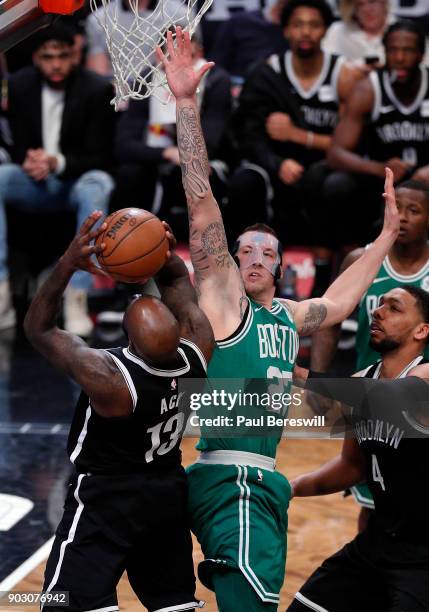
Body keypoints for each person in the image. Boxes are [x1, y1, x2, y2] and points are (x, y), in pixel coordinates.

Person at [157, 25, 400, 611]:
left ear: (282, 268)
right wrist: (187, 106)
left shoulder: (288, 316)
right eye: (247, 252)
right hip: (230, 477)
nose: (258, 258)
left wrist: (385, 238)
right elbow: (201, 201)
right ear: (230, 264)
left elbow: (340, 301)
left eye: (269, 251)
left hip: (261, 482)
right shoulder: (224, 301)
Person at [24, 211, 214, 612]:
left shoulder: (110, 379)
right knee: (173, 603)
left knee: (63, 603)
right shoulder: (197, 351)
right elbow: (179, 283)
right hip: (165, 494)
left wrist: (68, 264)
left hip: (107, 499)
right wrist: (163, 252)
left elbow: (38, 329)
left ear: (128, 338)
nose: (139, 297)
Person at [288, 285, 429, 611]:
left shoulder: (423, 377)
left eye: (394, 308)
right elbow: (352, 467)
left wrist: (297, 373)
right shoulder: (362, 379)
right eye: (378, 305)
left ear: (422, 330)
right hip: (378, 543)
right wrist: (291, 487)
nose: (377, 312)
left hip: (423, 557)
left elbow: (386, 397)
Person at [310, 178, 429, 528]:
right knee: (371, 496)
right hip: (370, 396)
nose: (403, 217)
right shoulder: (360, 260)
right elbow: (329, 318)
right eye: (397, 208)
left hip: (420, 402)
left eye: (414, 210)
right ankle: (372, 569)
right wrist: (318, 376)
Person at [227, 0, 361, 290]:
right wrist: (277, 163)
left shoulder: (345, 75)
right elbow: (247, 135)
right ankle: (239, 277)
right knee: (245, 182)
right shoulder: (266, 73)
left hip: (326, 169)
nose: (306, 32)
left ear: (325, 30)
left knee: (334, 182)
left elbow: (354, 144)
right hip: (278, 166)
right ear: (286, 30)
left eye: (313, 25)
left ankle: (328, 277)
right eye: (298, 25)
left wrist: (298, 136)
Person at [0, 23, 115, 336]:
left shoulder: (95, 88)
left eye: (62, 56)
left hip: (75, 182)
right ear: (36, 57)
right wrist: (32, 160)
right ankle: (1, 293)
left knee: (98, 183)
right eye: (48, 56)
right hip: (36, 182)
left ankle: (77, 296)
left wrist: (57, 162)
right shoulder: (21, 86)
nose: (55, 64)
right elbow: (18, 143)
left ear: (74, 55)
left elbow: (103, 156)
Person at [113, 33, 232, 241]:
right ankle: (129, 244)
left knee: (199, 173)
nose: (181, 66)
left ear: (200, 53)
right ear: (160, 57)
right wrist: (167, 153)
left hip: (204, 163)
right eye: (172, 57)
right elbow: (123, 145)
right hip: (156, 161)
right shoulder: (147, 78)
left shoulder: (216, 79)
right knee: (129, 174)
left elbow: (212, 142)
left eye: (187, 57)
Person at [323, 19, 429, 248]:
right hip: (380, 182)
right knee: (337, 185)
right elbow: (336, 153)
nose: (400, 58)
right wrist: (380, 168)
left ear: (421, 55)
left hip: (425, 180)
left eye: (408, 50)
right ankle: (346, 257)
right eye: (393, 50)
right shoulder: (368, 88)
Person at [323, 0, 394, 65]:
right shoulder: (338, 31)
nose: (367, 9)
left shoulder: (399, 31)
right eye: (360, 4)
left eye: (372, 2)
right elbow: (324, 63)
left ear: (384, 2)